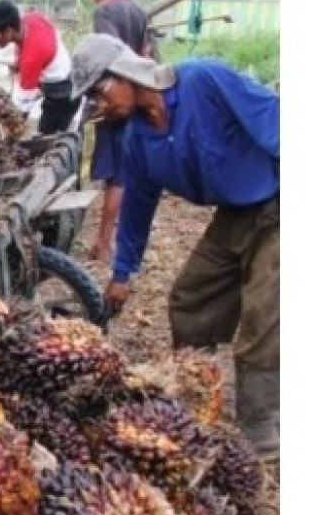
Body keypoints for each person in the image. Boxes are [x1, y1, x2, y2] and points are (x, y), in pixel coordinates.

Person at [71, 33, 279, 459]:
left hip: (281, 199)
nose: (100, 105)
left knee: (263, 315)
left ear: (124, 73)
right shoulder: (136, 138)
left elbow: (276, 121)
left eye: (99, 91)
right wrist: (122, 274)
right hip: (236, 212)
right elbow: (137, 208)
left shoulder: (203, 81)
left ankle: (259, 429)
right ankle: (195, 391)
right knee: (191, 298)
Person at [82, 0, 151, 263]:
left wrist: (103, 97)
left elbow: (107, 56)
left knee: (116, 177)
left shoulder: (105, 12)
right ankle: (121, 242)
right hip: (137, 97)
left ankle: (103, 243)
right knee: (127, 172)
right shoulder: (138, 9)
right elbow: (148, 55)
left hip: (116, 101)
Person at [0, 0, 79, 134]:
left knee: (48, 137)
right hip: (67, 75)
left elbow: (22, 109)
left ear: (8, 31)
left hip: (62, 93)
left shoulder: (31, 58)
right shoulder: (32, 18)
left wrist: (8, 132)